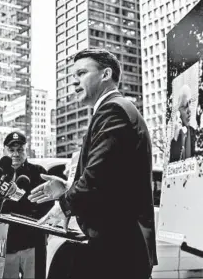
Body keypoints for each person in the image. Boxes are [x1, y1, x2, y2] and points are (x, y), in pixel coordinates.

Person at [29, 48, 158, 279]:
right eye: (73, 77)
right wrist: (66, 189)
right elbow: (112, 182)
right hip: (118, 248)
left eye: (81, 73)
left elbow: (97, 177)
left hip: (119, 251)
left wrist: (64, 205)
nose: (74, 83)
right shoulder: (114, 110)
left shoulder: (113, 110)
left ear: (105, 74)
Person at [0, 131, 52, 279]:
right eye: (11, 150)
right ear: (4, 150)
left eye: (20, 150)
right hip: (6, 243)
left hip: (33, 242)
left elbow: (47, 207)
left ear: (26, 150)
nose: (15, 154)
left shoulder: (39, 172)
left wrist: (19, 198)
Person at [169, 84, 197, 162]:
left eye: (190, 105)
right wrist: (176, 137)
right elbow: (173, 162)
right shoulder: (175, 139)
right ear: (178, 112)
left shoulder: (194, 134)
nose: (189, 111)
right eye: (185, 107)